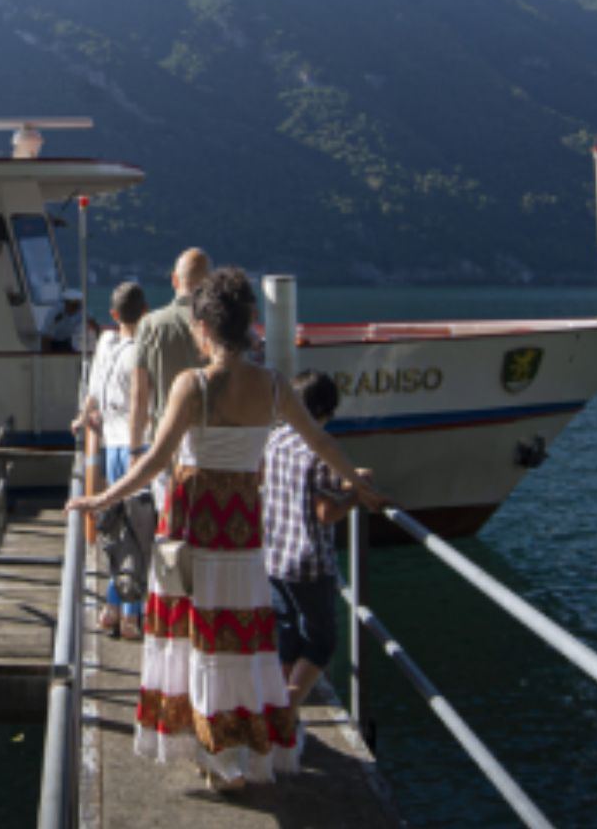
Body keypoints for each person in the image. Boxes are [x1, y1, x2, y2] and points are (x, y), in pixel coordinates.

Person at [67, 268, 386, 791]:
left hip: (192, 527)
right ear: (250, 322)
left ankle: (214, 755)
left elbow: (155, 463)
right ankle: (234, 749)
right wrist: (358, 485)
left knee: (195, 642)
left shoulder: (192, 385)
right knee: (239, 644)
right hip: (241, 535)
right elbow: (322, 444)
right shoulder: (275, 385)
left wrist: (101, 498)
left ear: (203, 328)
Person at [263, 371, 386, 711]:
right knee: (322, 642)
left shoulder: (276, 439)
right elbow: (325, 512)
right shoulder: (318, 450)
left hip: (275, 557)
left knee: (288, 634)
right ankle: (287, 709)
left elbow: (299, 486)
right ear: (326, 410)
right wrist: (357, 495)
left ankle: (277, 704)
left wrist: (347, 479)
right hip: (308, 562)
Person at [79, 282, 154, 639]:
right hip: (137, 447)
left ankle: (112, 607)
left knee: (115, 529)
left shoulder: (106, 344)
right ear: (146, 312)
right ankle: (130, 613)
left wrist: (83, 418)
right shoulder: (143, 350)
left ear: (113, 314)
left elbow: (93, 393)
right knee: (139, 535)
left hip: (112, 446)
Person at [128, 248, 211, 513]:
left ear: (175, 279)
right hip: (212, 447)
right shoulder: (216, 326)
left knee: (169, 525)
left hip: (166, 447)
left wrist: (135, 451)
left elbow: (139, 397)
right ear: (208, 282)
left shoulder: (151, 325)